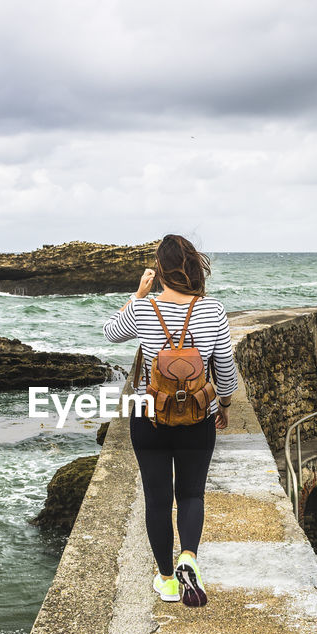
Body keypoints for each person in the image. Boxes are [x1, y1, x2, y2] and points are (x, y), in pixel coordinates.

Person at [103, 234, 238, 606]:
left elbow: (111, 333)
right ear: (195, 267)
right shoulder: (213, 310)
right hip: (197, 416)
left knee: (157, 500)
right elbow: (225, 372)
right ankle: (189, 558)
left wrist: (138, 294)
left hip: (150, 417)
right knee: (192, 493)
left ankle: (167, 580)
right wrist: (222, 404)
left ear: (159, 270)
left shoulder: (144, 308)